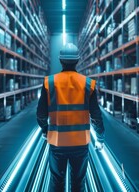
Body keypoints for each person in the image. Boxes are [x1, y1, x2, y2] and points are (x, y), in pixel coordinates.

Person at [36, 43, 105, 192]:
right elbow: (96, 115)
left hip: (57, 143)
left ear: (60, 60)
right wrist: (100, 138)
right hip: (80, 143)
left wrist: (45, 129)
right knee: (78, 183)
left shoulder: (49, 82)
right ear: (78, 60)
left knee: (56, 182)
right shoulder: (88, 84)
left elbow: (41, 114)